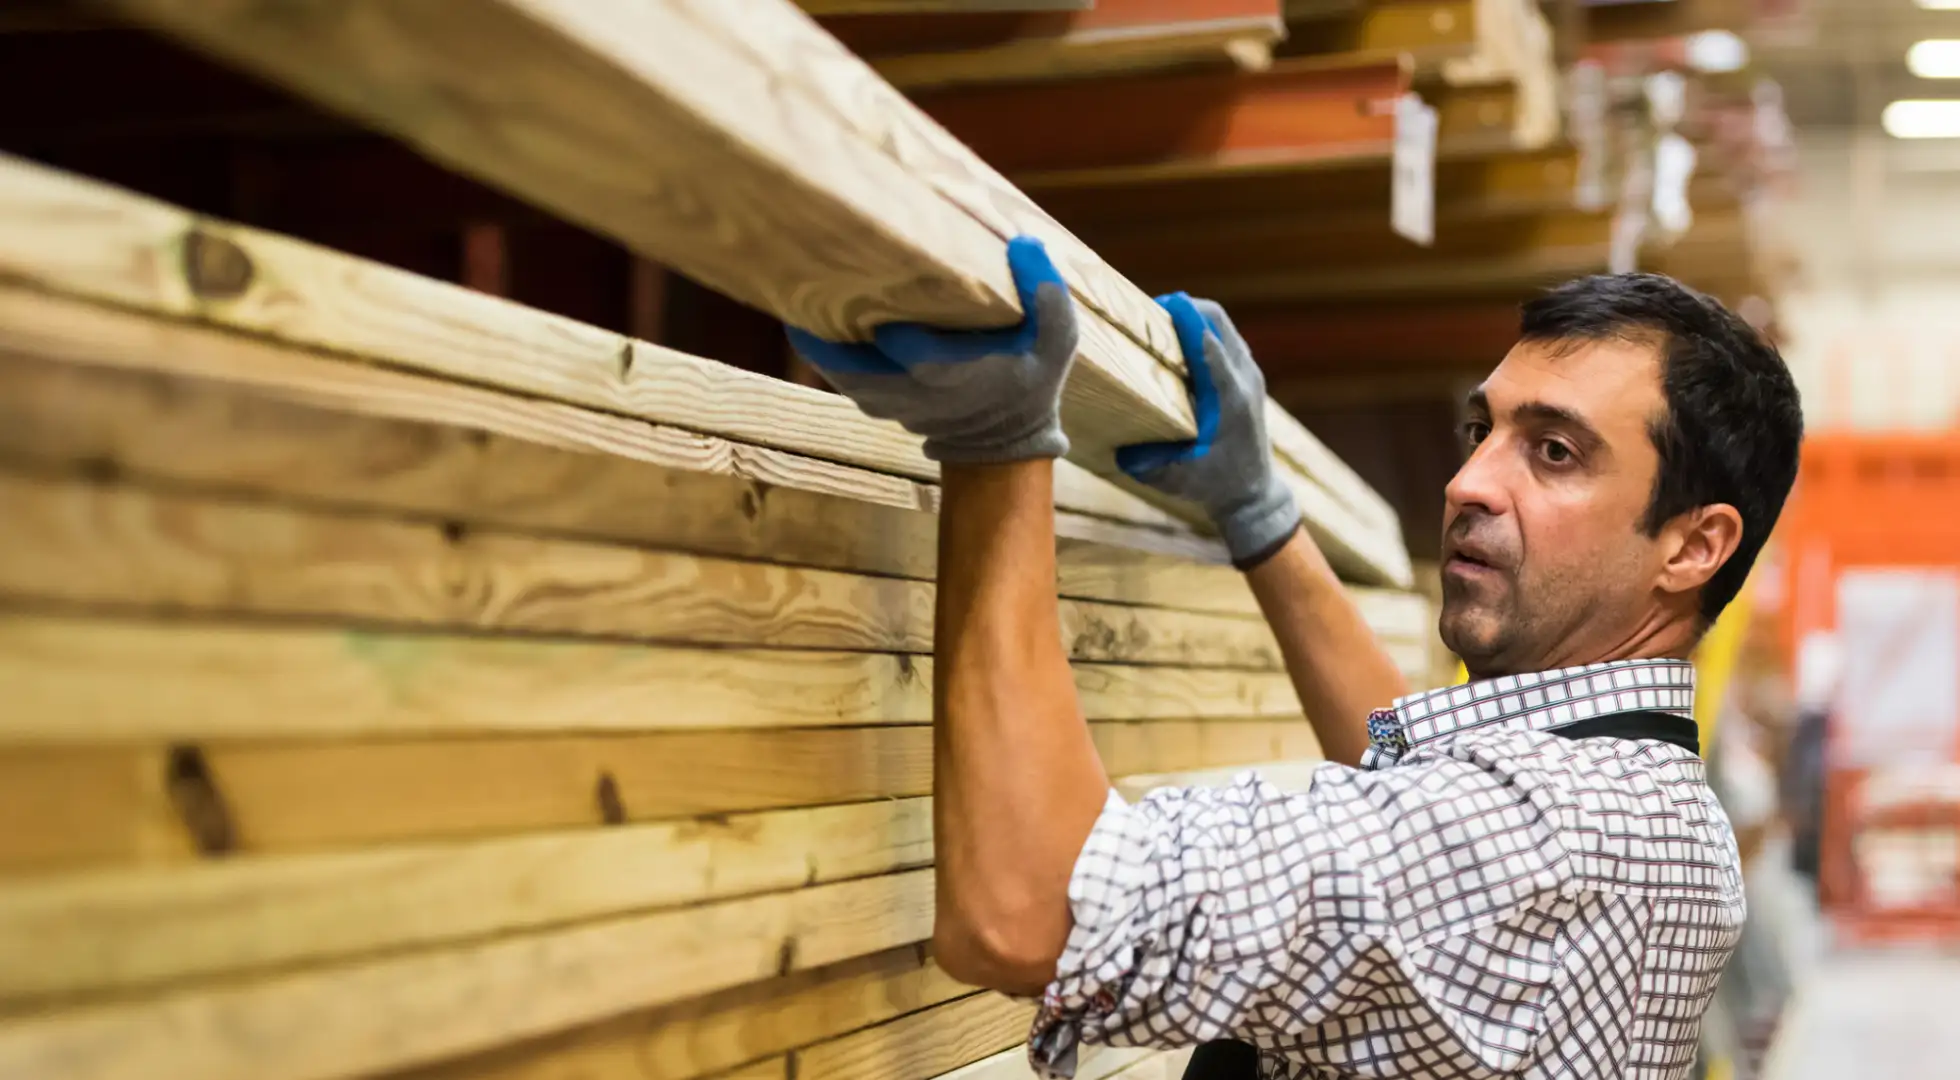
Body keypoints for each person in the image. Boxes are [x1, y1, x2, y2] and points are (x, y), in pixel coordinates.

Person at [787, 236, 1804, 1080]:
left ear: (1692, 546)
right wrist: (1262, 520)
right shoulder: (1644, 798)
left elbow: (1024, 913)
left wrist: (995, 444)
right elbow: (1418, 793)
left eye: (1553, 452)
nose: (1467, 482)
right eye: (1480, 428)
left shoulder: (1539, 833)